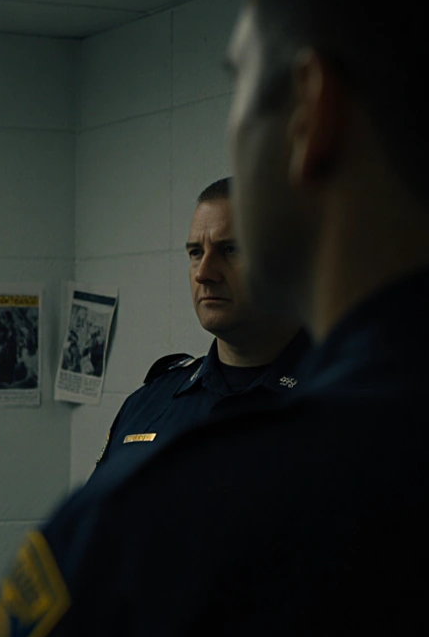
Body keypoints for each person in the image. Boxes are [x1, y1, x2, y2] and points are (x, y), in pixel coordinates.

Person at [0, 0, 429, 637]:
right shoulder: (162, 414)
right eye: (194, 251)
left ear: (311, 110)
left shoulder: (171, 516)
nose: (206, 269)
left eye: (240, 91)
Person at [88, 178, 307, 481]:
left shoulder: (346, 401)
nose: (204, 273)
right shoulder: (150, 405)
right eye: (195, 253)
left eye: (230, 250)